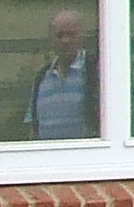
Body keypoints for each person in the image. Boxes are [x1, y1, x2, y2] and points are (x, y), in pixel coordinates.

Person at [26, 9, 98, 139]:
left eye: (71, 34)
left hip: (86, 156)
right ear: (51, 39)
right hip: (48, 157)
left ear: (82, 36)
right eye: (59, 35)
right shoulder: (41, 78)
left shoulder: (96, 71)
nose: (65, 41)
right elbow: (33, 129)